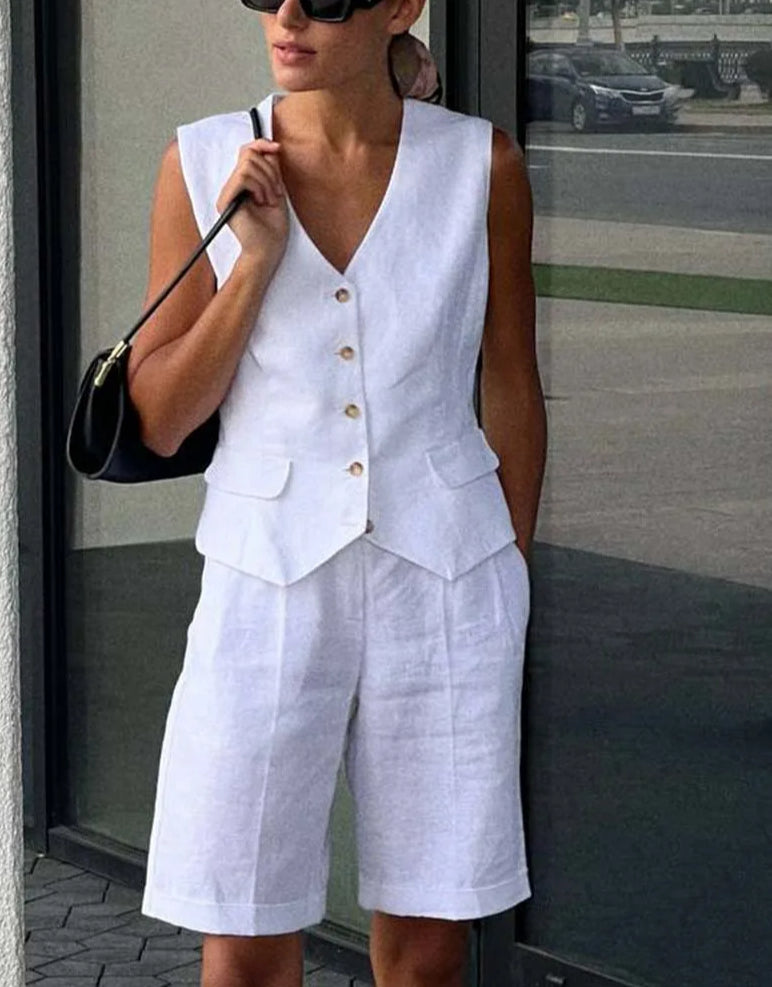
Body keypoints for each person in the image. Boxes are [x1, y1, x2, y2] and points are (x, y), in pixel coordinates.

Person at [130, 0, 547, 984]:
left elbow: (510, 382)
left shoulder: (479, 165)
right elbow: (159, 417)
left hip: (445, 579)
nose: (286, 17)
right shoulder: (200, 160)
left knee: (429, 948)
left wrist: (508, 570)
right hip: (262, 582)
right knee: (242, 939)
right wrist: (252, 264)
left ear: (398, 6)